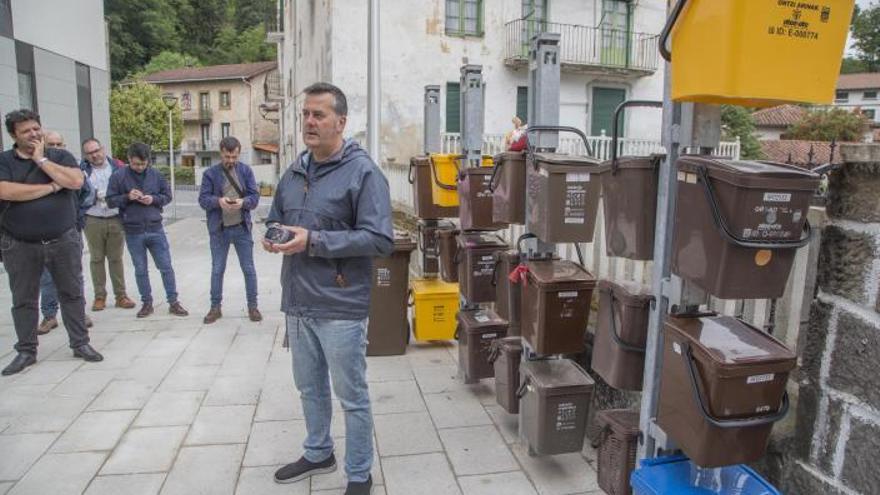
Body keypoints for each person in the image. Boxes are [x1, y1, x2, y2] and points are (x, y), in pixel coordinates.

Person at [263, 82, 393, 495]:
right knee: (309, 388)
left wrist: (313, 241)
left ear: (341, 121)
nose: (309, 122)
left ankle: (359, 474)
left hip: (340, 304)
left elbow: (380, 239)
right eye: (305, 114)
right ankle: (319, 451)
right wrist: (274, 234)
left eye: (318, 115)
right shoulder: (295, 169)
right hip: (298, 300)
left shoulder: (364, 173)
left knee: (351, 396)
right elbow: (276, 215)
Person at [0, 109, 103, 376]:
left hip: (62, 239)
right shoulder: (4, 162)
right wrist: (50, 187)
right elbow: (6, 191)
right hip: (21, 244)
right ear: (13, 135)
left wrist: (42, 159)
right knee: (23, 299)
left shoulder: (59, 156)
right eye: (26, 131)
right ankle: (26, 350)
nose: (34, 134)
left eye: (36, 128)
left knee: (72, 293)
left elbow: (76, 180)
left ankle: (80, 343)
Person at [106, 142, 188, 318]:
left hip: (155, 228)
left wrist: (153, 199)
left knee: (166, 267)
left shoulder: (156, 174)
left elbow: (167, 196)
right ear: (129, 160)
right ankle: (147, 303)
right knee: (141, 269)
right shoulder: (118, 176)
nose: (140, 167)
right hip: (133, 231)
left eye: (144, 164)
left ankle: (173, 302)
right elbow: (110, 200)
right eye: (136, 164)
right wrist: (127, 197)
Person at [198, 136, 262, 324]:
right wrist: (219, 202)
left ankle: (253, 307)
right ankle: (215, 308)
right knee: (217, 269)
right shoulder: (210, 174)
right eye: (227, 157)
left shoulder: (246, 171)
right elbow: (202, 200)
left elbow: (255, 198)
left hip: (242, 228)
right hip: (219, 230)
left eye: (234, 157)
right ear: (221, 153)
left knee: (249, 269)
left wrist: (244, 203)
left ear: (239, 154)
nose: (231, 161)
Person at [37, 131, 93, 334]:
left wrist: (77, 215)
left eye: (59, 143)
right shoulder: (37, 169)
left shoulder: (72, 167)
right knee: (46, 277)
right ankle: (49, 316)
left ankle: (79, 313)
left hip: (69, 230)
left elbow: (88, 193)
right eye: (51, 144)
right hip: (42, 233)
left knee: (74, 274)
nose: (56, 148)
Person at [81, 138, 135, 312]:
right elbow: (77, 193)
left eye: (96, 150)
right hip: (93, 218)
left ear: (102, 149)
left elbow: (128, 189)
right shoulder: (81, 170)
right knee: (96, 258)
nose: (95, 155)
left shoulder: (118, 167)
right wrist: (93, 195)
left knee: (116, 258)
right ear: (86, 155)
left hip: (115, 217)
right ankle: (99, 297)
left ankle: (121, 296)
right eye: (90, 153)